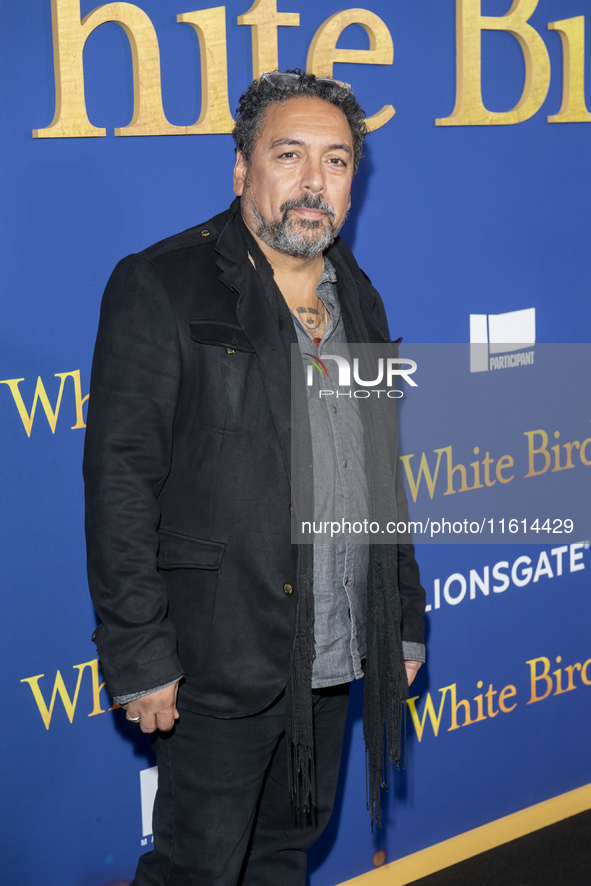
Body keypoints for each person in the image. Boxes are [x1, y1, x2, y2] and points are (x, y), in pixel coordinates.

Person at [83, 70, 426, 886]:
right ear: (243, 169)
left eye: (336, 161)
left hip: (335, 648)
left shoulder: (360, 297)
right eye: (289, 154)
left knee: (283, 855)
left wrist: (400, 616)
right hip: (218, 654)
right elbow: (120, 483)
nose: (314, 182)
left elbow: (381, 471)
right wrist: (139, 652)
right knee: (196, 868)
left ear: (353, 182)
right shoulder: (163, 282)